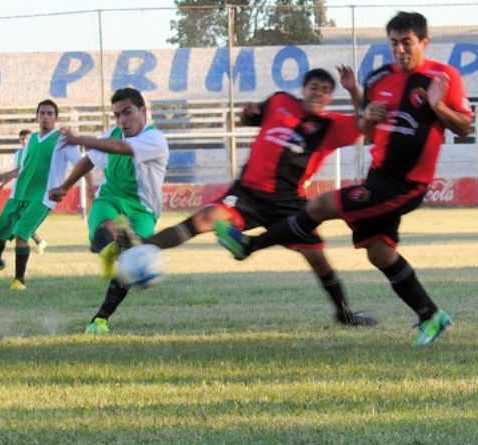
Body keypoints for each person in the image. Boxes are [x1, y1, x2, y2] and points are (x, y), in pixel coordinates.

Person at [215, 11, 473, 345]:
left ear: (424, 42)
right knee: (379, 252)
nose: (399, 50)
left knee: (322, 204)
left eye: (406, 43)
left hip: (406, 184)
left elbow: (465, 127)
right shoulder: (378, 78)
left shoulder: (444, 76)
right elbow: (366, 131)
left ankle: (250, 244)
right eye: (394, 43)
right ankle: (431, 314)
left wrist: (437, 106)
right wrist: (368, 117)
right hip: (377, 176)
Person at [137, 67, 377, 327]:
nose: (318, 93)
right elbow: (251, 120)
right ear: (304, 89)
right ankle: (142, 247)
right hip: (248, 194)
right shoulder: (280, 101)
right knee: (205, 218)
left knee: (318, 260)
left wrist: (353, 89)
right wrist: (247, 113)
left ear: (330, 97)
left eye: (325, 90)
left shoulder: (331, 125)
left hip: (288, 203)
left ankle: (344, 314)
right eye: (314, 87)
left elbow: (364, 123)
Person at [49, 87, 169, 334]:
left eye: (127, 112)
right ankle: (107, 250)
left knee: (131, 263)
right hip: (109, 199)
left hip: (142, 211)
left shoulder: (155, 139)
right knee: (105, 231)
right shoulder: (113, 133)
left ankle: (100, 319)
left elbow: (119, 148)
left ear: (143, 111)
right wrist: (64, 186)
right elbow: (90, 160)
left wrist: (81, 139)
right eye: (117, 115)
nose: (122, 120)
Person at [0, 100, 81, 290]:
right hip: (19, 194)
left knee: (21, 235)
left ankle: (18, 281)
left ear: (55, 117)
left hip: (43, 197)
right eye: (42, 113)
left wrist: (66, 186)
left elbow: (81, 163)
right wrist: (4, 176)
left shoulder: (62, 140)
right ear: (37, 116)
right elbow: (23, 167)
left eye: (50, 113)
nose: (46, 117)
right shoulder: (32, 139)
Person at [0, 129, 47, 254]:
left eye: (27, 138)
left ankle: (38, 242)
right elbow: (17, 171)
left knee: (23, 221)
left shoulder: (37, 151)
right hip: (20, 192)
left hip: (33, 193)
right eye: (22, 139)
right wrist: (3, 183)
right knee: (19, 221)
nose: (24, 141)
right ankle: (39, 241)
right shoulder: (18, 154)